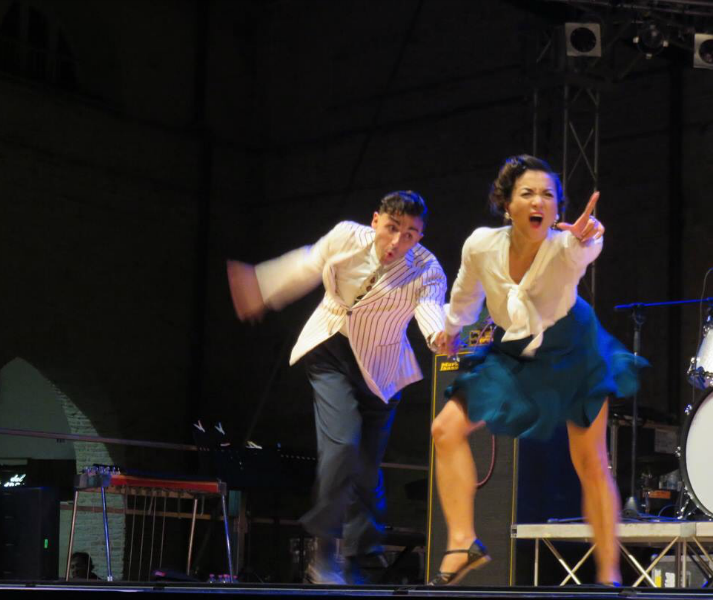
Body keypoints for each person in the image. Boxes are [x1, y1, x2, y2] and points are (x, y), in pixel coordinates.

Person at [430, 155, 646, 586]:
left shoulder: (564, 247)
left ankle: (609, 578)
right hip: (517, 350)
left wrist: (589, 235)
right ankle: (463, 542)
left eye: (548, 195)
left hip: (574, 348)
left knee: (590, 460)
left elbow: (584, 247)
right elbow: (466, 293)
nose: (539, 202)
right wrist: (450, 330)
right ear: (506, 203)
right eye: (527, 193)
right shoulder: (481, 245)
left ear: (557, 209)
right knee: (445, 430)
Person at [227, 191, 447, 584]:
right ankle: (325, 550)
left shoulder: (426, 268)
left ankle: (360, 556)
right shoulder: (347, 237)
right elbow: (308, 263)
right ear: (376, 220)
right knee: (343, 445)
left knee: (366, 470)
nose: (398, 241)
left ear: (420, 236)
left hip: (381, 368)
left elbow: (430, 308)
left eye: (410, 234)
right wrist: (261, 286)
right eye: (392, 228)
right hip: (330, 350)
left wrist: (438, 336)